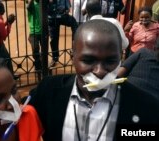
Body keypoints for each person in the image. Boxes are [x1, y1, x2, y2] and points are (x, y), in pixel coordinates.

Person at [29, 19, 159, 141]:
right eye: (88, 60)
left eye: (110, 61)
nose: (100, 71)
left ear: (121, 58)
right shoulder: (48, 92)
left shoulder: (146, 107)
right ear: (74, 55)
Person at [47, 0, 78, 67]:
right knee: (53, 38)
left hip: (62, 16)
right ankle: (55, 57)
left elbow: (68, 9)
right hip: (52, 18)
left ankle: (73, 50)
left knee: (74, 23)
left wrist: (65, 11)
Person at [26, 0, 42, 71]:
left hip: (43, 31)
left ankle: (42, 65)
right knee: (35, 51)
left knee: (44, 51)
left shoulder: (42, 3)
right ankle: (38, 66)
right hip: (34, 32)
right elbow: (29, 7)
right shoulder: (31, 4)